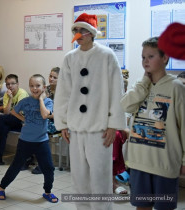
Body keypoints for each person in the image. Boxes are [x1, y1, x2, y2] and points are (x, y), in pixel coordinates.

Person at [54, 13, 126, 210]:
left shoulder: (106, 56)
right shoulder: (70, 58)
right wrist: (63, 124)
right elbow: (63, 93)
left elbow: (116, 91)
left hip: (100, 129)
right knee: (79, 178)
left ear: (92, 33)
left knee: (101, 178)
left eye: (83, 30)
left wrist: (114, 125)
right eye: (76, 30)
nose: (79, 34)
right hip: (76, 129)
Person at [121, 37, 185, 210]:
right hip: (139, 162)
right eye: (143, 57)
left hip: (164, 163)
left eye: (150, 56)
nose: (145, 61)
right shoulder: (140, 85)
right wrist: (144, 83)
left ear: (165, 58)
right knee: (141, 207)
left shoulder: (176, 87)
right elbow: (125, 106)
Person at [0, 74, 58, 203]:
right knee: (16, 166)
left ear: (44, 87)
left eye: (38, 86)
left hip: (42, 141)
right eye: (32, 86)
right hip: (25, 141)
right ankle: (1, 188)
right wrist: (24, 119)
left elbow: (45, 115)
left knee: (49, 168)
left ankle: (47, 191)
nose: (34, 88)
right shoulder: (25, 101)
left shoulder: (48, 102)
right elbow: (11, 112)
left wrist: (41, 100)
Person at [31, 67, 60, 174]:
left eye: (54, 77)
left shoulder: (63, 93)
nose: (51, 79)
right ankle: (28, 158)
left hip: (57, 122)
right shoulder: (45, 89)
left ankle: (44, 164)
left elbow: (60, 115)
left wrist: (45, 115)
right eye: (50, 76)